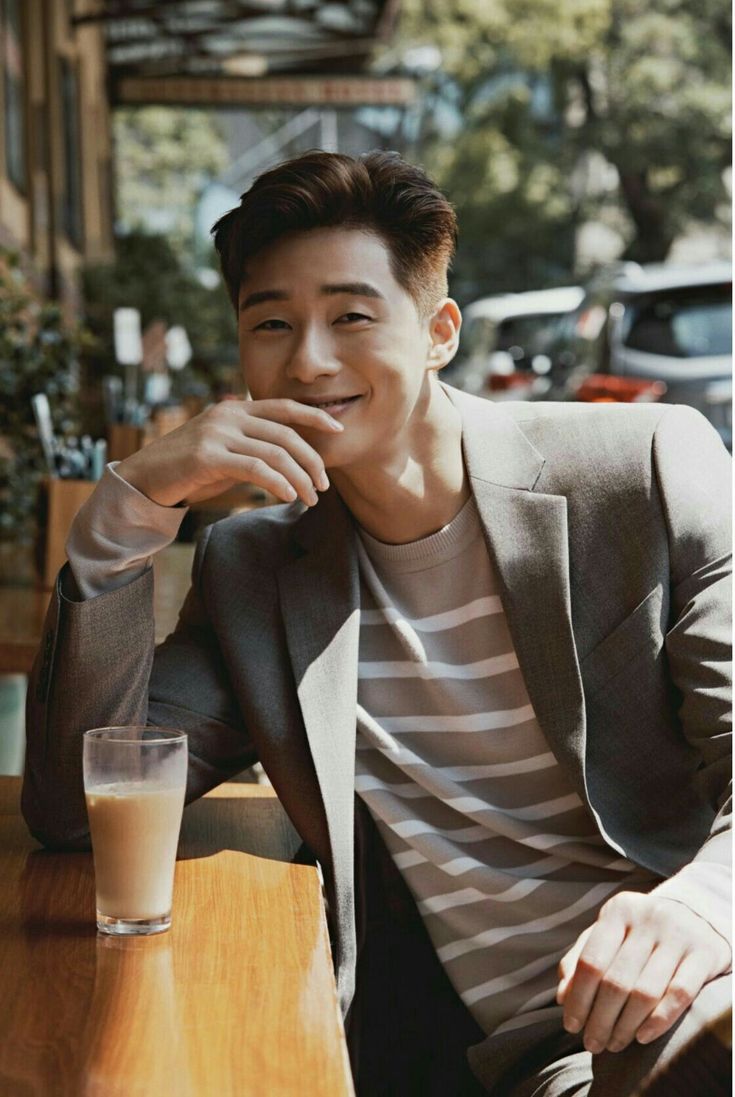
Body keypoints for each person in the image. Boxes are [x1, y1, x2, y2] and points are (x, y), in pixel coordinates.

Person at [22, 150, 731, 1096]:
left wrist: (706, 907)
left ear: (438, 330)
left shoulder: (641, 465)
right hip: (555, 1056)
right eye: (270, 322)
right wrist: (126, 515)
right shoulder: (254, 569)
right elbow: (80, 809)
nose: (308, 360)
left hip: (707, 978)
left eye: (351, 316)